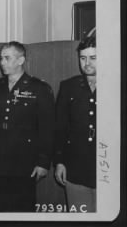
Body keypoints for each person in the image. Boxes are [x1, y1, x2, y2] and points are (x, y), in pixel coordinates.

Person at [0, 41, 55, 212]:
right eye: (1, 58)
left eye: (7, 58)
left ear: (21, 60)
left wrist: (43, 162)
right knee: (1, 207)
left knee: (23, 208)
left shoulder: (39, 88)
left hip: (25, 161)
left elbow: (47, 128)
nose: (2, 62)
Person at [54, 36, 97, 212]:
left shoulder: (117, 83)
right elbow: (59, 128)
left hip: (108, 170)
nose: (87, 63)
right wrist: (59, 162)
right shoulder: (68, 87)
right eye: (83, 58)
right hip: (76, 167)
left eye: (93, 58)